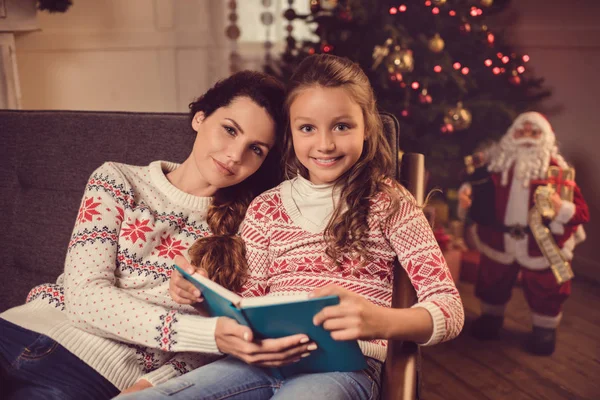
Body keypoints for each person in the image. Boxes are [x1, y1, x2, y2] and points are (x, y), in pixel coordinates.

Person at [122, 54, 464, 400]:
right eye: (307, 128)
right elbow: (248, 306)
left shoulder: (390, 202)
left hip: (344, 368)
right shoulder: (266, 208)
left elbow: (449, 308)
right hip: (259, 361)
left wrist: (379, 321)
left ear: (367, 128)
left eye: (342, 126)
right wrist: (201, 298)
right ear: (291, 133)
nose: (325, 144)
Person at [0, 70, 291, 399]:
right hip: (19, 329)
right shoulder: (116, 179)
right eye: (229, 130)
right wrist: (207, 332)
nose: (235, 155)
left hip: (92, 373)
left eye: (256, 149)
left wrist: (152, 384)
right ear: (200, 118)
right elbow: (84, 296)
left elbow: (220, 343)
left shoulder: (249, 230)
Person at [457, 111, 589, 355]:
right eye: (521, 131)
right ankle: (491, 318)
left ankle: (544, 329)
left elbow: (581, 211)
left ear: (545, 138)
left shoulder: (557, 173)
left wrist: (563, 209)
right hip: (498, 240)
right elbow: (477, 189)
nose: (527, 137)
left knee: (547, 286)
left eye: (534, 132)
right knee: (492, 279)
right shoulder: (496, 167)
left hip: (541, 243)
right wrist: (467, 198)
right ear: (511, 136)